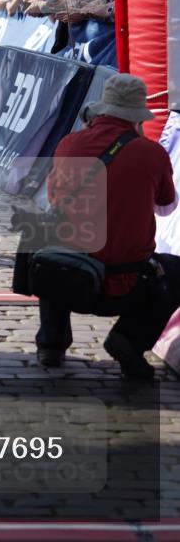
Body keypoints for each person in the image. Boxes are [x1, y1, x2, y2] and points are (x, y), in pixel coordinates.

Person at [30, 73, 178, 380]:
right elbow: (166, 207)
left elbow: (54, 200)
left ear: (100, 111)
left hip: (68, 276)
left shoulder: (69, 143)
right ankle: (129, 340)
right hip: (124, 283)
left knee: (49, 244)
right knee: (176, 272)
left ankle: (51, 342)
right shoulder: (152, 153)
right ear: (137, 118)